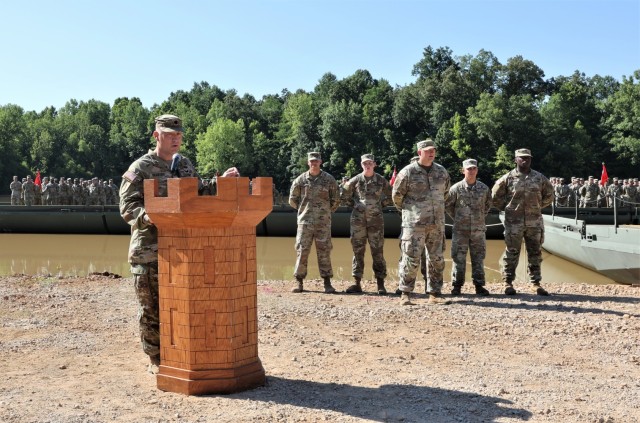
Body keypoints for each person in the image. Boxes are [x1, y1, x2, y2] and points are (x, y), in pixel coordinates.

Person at [119, 114, 239, 374]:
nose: (175, 139)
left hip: (183, 250)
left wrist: (222, 182)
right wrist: (149, 216)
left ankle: (181, 352)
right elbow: (127, 208)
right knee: (151, 308)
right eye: (169, 134)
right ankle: (156, 358)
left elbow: (198, 191)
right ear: (156, 136)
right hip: (149, 251)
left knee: (182, 304)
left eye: (179, 135)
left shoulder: (183, 164)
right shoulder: (140, 168)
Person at [392, 139, 450, 305]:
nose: (431, 153)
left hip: (436, 224)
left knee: (436, 259)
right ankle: (406, 293)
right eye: (427, 151)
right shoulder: (408, 172)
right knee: (410, 259)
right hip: (414, 225)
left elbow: (445, 194)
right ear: (419, 153)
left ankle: (434, 294)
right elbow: (397, 197)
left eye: (433, 150)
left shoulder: (441, 172)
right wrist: (412, 213)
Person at [491, 148, 554, 296]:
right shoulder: (507, 178)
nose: (525, 160)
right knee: (512, 252)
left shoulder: (539, 178)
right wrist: (508, 209)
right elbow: (495, 197)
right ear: (515, 160)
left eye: (528, 158)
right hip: (514, 222)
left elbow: (550, 195)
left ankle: (535, 283)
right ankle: (508, 282)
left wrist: (537, 207)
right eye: (522, 158)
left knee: (535, 252)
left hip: (534, 222)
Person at [340, 154, 393, 295]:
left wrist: (380, 205)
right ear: (361, 165)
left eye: (370, 163)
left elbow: (392, 195)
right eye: (365, 163)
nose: (367, 165)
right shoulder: (355, 180)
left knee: (378, 251)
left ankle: (380, 284)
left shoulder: (381, 180)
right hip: (358, 221)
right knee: (358, 251)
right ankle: (357, 283)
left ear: (374, 164)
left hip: (376, 221)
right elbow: (344, 196)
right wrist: (355, 205)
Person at [288, 151, 340, 294]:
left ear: (320, 162)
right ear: (308, 163)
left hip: (323, 223)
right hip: (305, 222)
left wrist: (326, 213)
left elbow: (336, 199)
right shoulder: (300, 180)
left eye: (316, 161)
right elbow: (292, 200)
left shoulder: (329, 179)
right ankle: (299, 281)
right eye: (311, 161)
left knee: (324, 251)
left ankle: (327, 282)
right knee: (302, 250)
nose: (314, 163)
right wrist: (303, 211)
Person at [445, 159, 492, 296]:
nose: (471, 171)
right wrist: (459, 217)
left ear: (477, 170)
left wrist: (479, 217)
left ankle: (479, 286)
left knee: (478, 258)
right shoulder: (456, 188)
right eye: (468, 169)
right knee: (458, 258)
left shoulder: (484, 189)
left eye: (473, 168)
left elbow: (488, 204)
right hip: (460, 230)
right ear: (463, 171)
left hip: (478, 230)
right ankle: (457, 286)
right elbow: (448, 206)